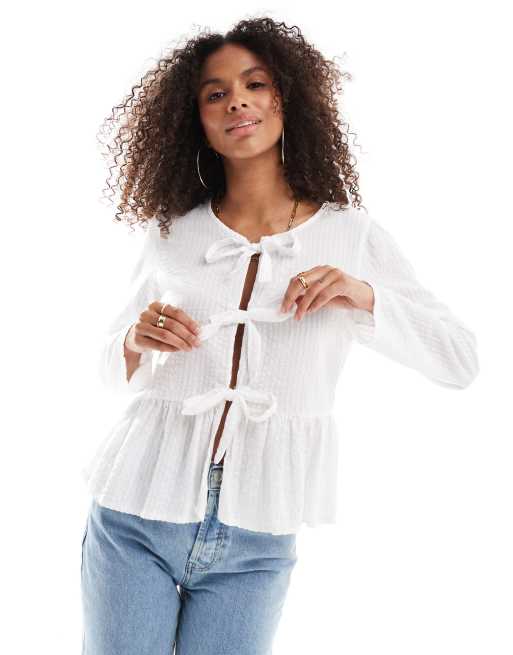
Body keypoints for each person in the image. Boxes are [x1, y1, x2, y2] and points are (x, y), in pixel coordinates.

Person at [80, 16, 479, 655]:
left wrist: (361, 294)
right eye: (215, 93)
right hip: (136, 513)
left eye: (255, 84)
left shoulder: (350, 235)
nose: (236, 101)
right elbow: (105, 366)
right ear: (196, 121)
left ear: (286, 99)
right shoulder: (172, 232)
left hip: (257, 537)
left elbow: (458, 359)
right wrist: (134, 339)